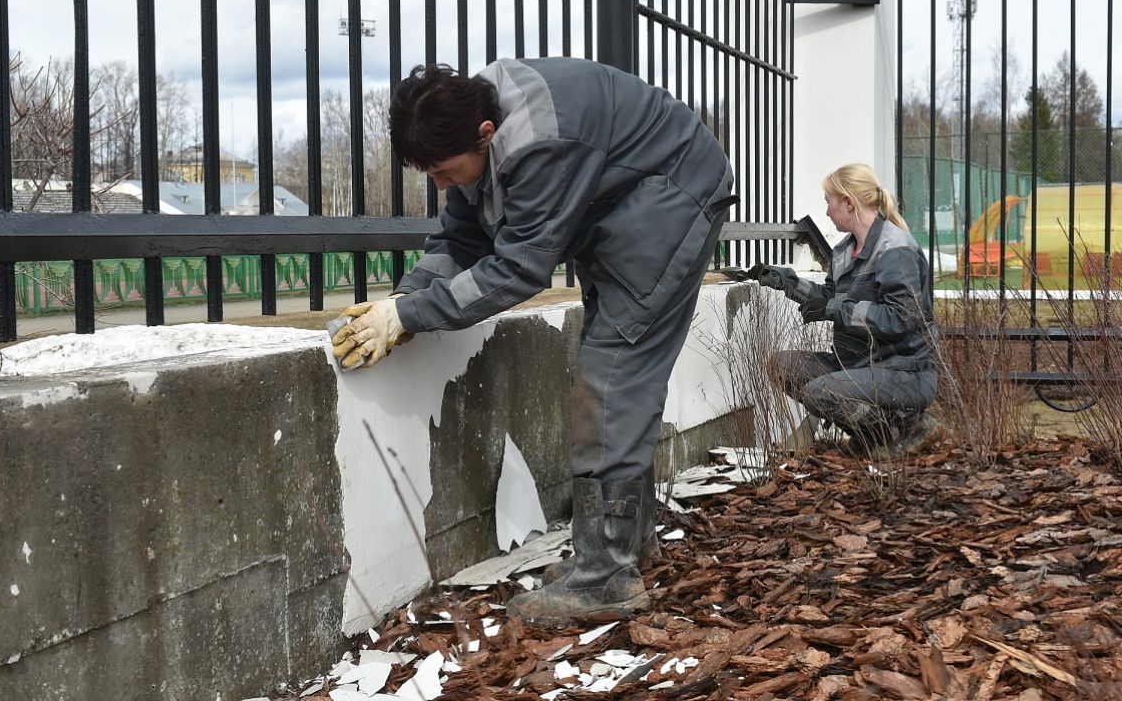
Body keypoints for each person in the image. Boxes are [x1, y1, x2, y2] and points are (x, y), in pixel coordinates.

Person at [330, 58, 735, 627]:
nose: (441, 184)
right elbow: (463, 233)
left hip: (669, 199)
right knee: (617, 374)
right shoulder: (479, 120)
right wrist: (401, 302)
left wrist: (412, 315)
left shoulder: (538, 143)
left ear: (485, 135)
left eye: (445, 171)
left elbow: (518, 269)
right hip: (632, 197)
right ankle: (625, 547)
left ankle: (607, 578)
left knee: (613, 377)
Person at [748, 164, 937, 454]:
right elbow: (829, 296)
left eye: (829, 202)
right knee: (782, 364)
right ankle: (875, 438)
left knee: (820, 392)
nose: (826, 211)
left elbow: (902, 318)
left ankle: (908, 429)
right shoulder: (845, 251)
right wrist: (784, 281)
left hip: (903, 371)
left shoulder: (894, 249)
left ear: (849, 203)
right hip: (858, 365)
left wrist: (835, 308)